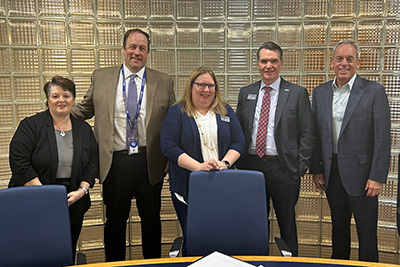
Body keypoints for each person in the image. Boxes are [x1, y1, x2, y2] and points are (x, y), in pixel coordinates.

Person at [70, 29, 176, 261]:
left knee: (151, 221)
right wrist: (55, 112)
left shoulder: (164, 81)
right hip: (114, 161)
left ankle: (152, 265)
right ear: (123, 49)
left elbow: (172, 121)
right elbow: (84, 109)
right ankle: (114, 266)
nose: (136, 52)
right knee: (115, 222)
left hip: (150, 161)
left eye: (142, 48)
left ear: (148, 53)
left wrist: (171, 157)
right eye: (132, 47)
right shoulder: (101, 77)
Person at [310, 39, 391, 262]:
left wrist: (376, 176)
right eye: (339, 59)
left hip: (364, 177)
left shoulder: (374, 91)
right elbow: (316, 134)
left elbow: (383, 138)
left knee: (366, 234)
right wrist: (317, 169)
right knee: (338, 230)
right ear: (332, 62)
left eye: (349, 59)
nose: (344, 63)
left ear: (357, 63)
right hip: (332, 173)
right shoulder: (320, 93)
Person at [9, 76, 99, 263]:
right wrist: (45, 195)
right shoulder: (31, 125)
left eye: (66, 95)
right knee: (36, 250)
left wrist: (82, 191)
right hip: (34, 196)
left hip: (72, 198)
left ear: (73, 99)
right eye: (55, 96)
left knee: (67, 248)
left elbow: (92, 162)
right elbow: (19, 161)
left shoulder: (84, 129)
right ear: (48, 99)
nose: (61, 100)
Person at [235, 42, 314, 256]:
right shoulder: (246, 93)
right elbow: (239, 131)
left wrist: (300, 167)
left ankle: (290, 262)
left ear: (281, 63)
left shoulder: (297, 93)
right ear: (258, 64)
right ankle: (256, 260)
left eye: (273, 61)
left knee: (287, 223)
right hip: (251, 168)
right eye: (263, 61)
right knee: (254, 222)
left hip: (283, 169)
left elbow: (307, 133)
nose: (268, 65)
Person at [161, 66, 245, 254]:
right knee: (194, 237)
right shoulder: (177, 112)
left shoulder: (225, 111)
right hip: (188, 185)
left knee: (222, 235)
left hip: (222, 184)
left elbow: (239, 141)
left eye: (211, 86)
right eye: (201, 85)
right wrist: (198, 167)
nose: (206, 90)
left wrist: (225, 164)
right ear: (191, 86)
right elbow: (169, 146)